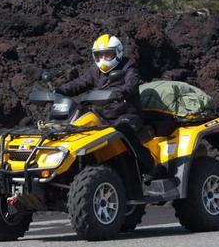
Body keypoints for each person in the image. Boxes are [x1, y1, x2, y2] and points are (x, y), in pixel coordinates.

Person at [57, 34, 156, 179]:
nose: (103, 60)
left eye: (108, 55)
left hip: (126, 114)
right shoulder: (95, 71)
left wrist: (120, 92)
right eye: (99, 55)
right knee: (74, 127)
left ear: (118, 53)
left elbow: (132, 83)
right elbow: (79, 83)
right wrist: (60, 91)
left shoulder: (129, 66)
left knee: (125, 130)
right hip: (101, 116)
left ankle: (149, 167)